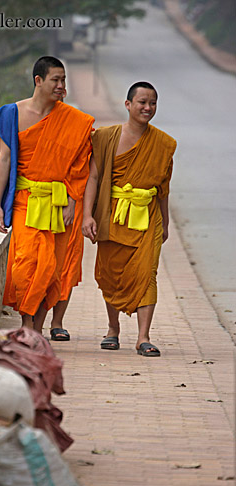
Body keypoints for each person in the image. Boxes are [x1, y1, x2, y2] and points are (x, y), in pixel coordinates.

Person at [0, 56, 94, 336]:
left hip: (58, 204)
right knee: (26, 263)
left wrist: (72, 200)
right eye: (55, 80)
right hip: (26, 199)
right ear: (38, 81)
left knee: (52, 268)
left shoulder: (73, 121)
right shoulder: (12, 114)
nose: (61, 86)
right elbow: (4, 160)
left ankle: (40, 325)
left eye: (64, 80)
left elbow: (79, 166)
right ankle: (26, 325)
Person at [82, 82, 177, 356]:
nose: (148, 108)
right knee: (110, 274)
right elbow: (94, 177)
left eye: (153, 103)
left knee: (147, 274)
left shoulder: (164, 144)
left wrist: (166, 223)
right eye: (142, 102)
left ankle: (143, 337)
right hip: (112, 215)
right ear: (128, 105)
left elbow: (163, 189)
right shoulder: (105, 137)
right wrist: (88, 214)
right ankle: (113, 329)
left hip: (147, 219)